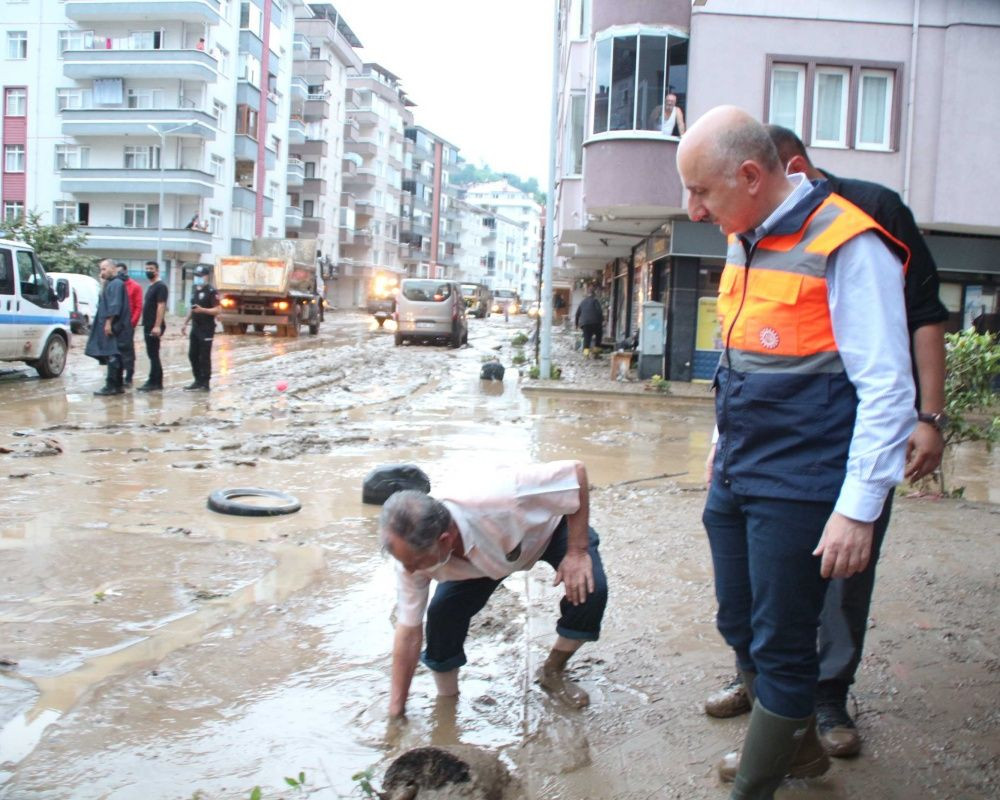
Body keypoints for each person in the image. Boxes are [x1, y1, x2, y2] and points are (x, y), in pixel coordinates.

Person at [677, 107, 915, 798]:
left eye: (702, 192)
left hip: (803, 481)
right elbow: (740, 361)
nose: (693, 209)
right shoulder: (741, 236)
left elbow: (889, 391)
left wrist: (858, 509)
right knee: (737, 619)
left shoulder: (849, 244)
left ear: (751, 175)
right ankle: (797, 750)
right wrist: (719, 456)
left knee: (784, 645)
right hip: (740, 471)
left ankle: (758, 781)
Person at [379, 460, 608, 719]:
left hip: (546, 532)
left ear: (445, 540)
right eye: (405, 565)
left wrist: (577, 551)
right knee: (442, 614)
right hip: (485, 560)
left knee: (591, 589)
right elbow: (408, 632)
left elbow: (575, 473)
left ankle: (553, 670)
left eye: (416, 564)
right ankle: (447, 698)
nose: (410, 572)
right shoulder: (411, 558)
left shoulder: (502, 496)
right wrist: (396, 708)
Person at [85, 258, 133, 396]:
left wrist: (108, 323)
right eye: (101, 269)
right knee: (115, 355)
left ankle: (112, 385)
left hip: (115, 327)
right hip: (116, 326)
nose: (102, 272)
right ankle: (117, 386)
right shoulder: (112, 283)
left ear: (113, 268)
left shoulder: (116, 284)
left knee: (112, 354)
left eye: (104, 269)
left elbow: (114, 305)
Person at [180, 264, 220, 391]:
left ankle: (205, 382)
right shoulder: (194, 290)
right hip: (195, 328)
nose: (198, 278)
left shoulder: (212, 292)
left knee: (204, 356)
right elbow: (192, 309)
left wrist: (203, 310)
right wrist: (185, 323)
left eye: (201, 276)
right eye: (196, 276)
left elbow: (218, 310)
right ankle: (197, 380)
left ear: (207, 276)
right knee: (193, 355)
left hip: (206, 328)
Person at [137, 260, 168, 392]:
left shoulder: (161, 286)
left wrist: (157, 325)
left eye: (151, 269)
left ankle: (155, 381)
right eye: (147, 269)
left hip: (154, 325)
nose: (148, 271)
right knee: (151, 353)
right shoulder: (151, 286)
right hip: (148, 324)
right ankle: (155, 380)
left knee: (153, 353)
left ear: (157, 271)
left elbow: (161, 306)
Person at [116, 263, 142, 387]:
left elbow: (138, 306)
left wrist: (132, 323)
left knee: (128, 351)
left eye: (121, 271)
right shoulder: (115, 285)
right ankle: (118, 375)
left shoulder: (135, 286)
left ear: (126, 271)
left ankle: (129, 376)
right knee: (116, 351)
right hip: (117, 324)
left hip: (128, 325)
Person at [574, 285, 603, 358]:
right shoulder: (595, 301)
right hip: (596, 323)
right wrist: (602, 321)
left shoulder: (583, 302)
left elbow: (577, 314)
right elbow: (599, 312)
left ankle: (586, 354)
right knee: (598, 337)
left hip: (585, 324)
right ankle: (596, 354)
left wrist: (576, 324)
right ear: (594, 294)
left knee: (587, 339)